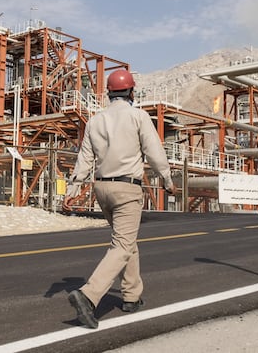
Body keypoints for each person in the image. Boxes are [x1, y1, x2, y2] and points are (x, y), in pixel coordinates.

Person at [63, 69, 175, 329]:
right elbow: (155, 153)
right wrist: (167, 181)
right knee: (122, 246)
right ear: (132, 92)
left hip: (101, 188)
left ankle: (131, 296)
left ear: (110, 93)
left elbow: (85, 159)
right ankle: (88, 295)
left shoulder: (95, 121)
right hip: (127, 188)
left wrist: (72, 189)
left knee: (127, 241)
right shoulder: (139, 116)